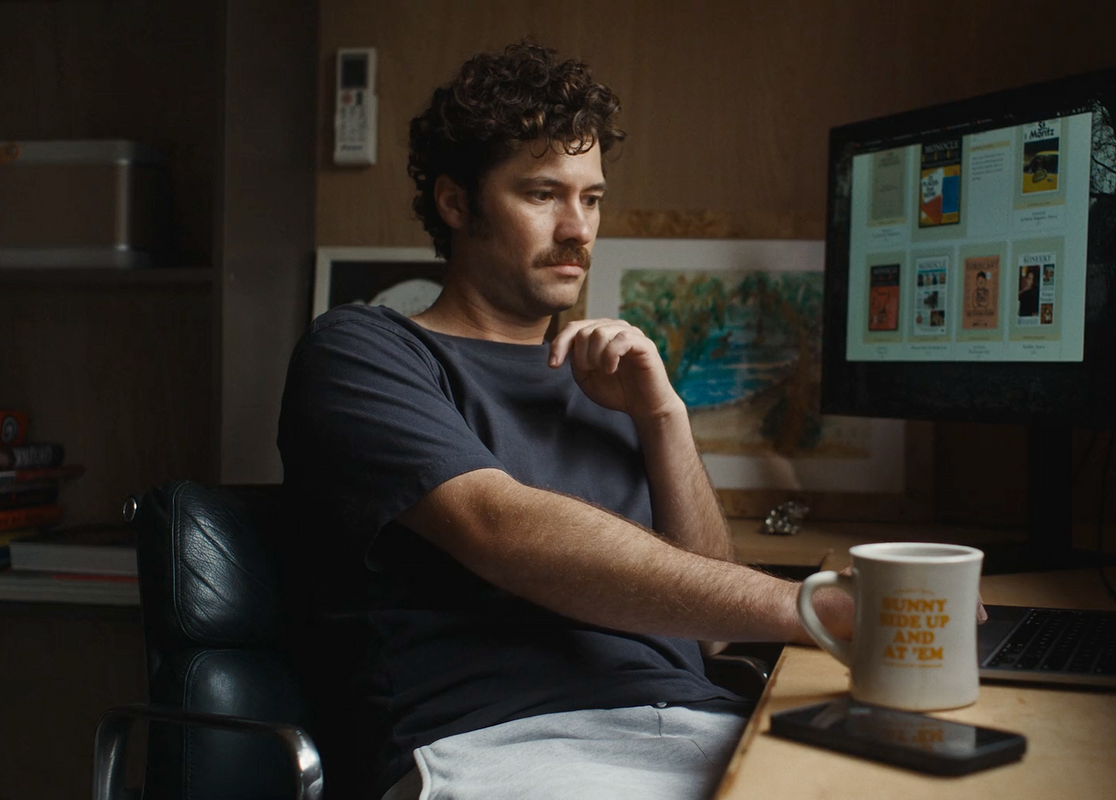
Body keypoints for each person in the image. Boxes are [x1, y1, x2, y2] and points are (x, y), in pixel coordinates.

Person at [277, 43, 858, 800]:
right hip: (504, 743)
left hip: (701, 729)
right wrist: (806, 604)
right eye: (543, 193)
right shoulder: (365, 350)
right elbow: (499, 526)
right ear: (456, 203)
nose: (578, 228)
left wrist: (664, 415)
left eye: (591, 198)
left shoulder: (608, 381)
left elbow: (709, 632)